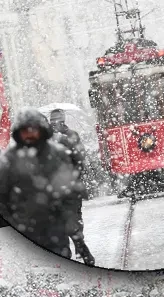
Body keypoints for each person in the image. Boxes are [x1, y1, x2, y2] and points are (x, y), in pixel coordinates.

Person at [0, 109, 79, 258]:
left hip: (55, 229)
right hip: (25, 230)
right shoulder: (9, 161)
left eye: (33, 130)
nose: (30, 134)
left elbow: (71, 194)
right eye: (25, 130)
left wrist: (74, 232)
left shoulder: (57, 154)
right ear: (18, 132)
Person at [47, 109, 95, 265]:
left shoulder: (69, 136)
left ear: (62, 121)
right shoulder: (49, 138)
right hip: (63, 188)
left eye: (57, 121)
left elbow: (80, 158)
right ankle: (77, 249)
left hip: (67, 187)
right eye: (53, 121)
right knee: (69, 218)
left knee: (73, 217)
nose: (55, 124)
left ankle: (77, 248)